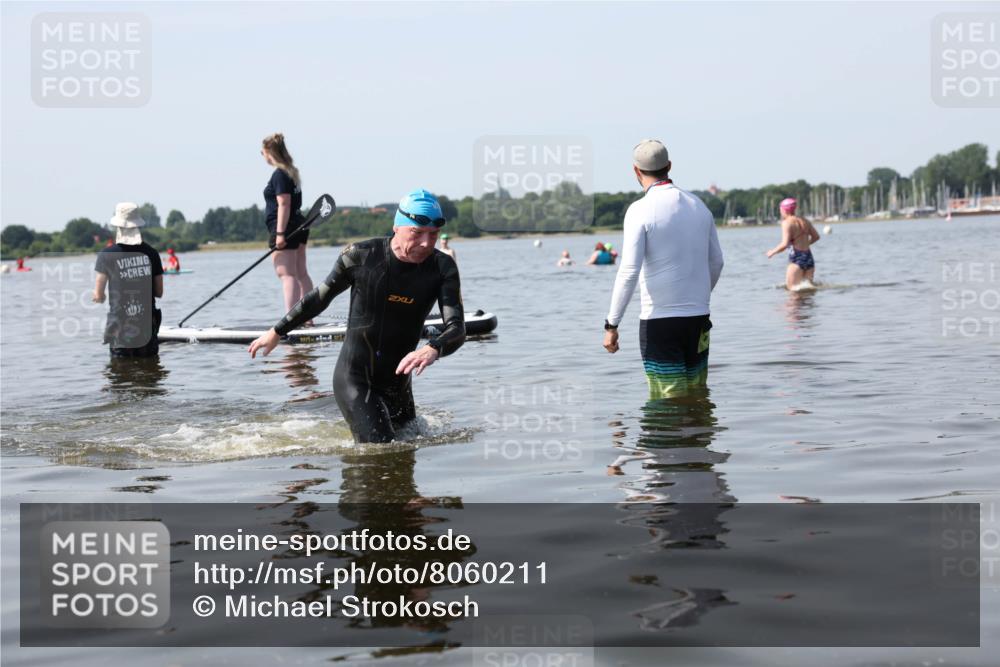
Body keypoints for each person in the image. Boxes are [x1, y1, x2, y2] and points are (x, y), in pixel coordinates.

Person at [248, 189, 465, 443]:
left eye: (433, 235)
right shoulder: (361, 256)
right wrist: (277, 332)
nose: (427, 243)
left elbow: (457, 327)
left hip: (399, 387)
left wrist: (433, 349)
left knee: (406, 459)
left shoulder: (442, 267)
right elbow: (319, 298)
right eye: (417, 233)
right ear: (397, 227)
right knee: (381, 451)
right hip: (356, 380)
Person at [603, 139, 724, 399]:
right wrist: (698, 296)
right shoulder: (699, 206)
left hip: (660, 322)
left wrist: (611, 324)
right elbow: (717, 262)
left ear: (636, 171)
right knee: (697, 395)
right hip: (699, 318)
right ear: (669, 166)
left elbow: (629, 271)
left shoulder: (639, 210)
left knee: (667, 402)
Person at [93, 202, 164, 358]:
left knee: (120, 376)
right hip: (147, 327)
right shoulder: (151, 253)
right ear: (137, 225)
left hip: (119, 329)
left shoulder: (106, 255)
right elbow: (159, 292)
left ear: (118, 226)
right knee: (150, 375)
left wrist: (101, 297)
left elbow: (98, 296)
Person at [261, 132, 314, 314]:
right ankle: (307, 317)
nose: (263, 156)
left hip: (286, 228)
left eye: (263, 152)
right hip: (300, 225)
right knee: (301, 273)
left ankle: (290, 320)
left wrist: (280, 234)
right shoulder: (292, 172)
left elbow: (284, 203)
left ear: (270, 153)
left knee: (287, 275)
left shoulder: (279, 175)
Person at [766, 197, 820, 289]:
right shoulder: (805, 221)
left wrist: (772, 252)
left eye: (780, 209)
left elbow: (784, 244)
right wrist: (806, 244)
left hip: (797, 259)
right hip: (809, 258)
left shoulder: (786, 223)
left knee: (792, 293)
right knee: (807, 292)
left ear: (784, 210)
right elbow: (816, 237)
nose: (780, 212)